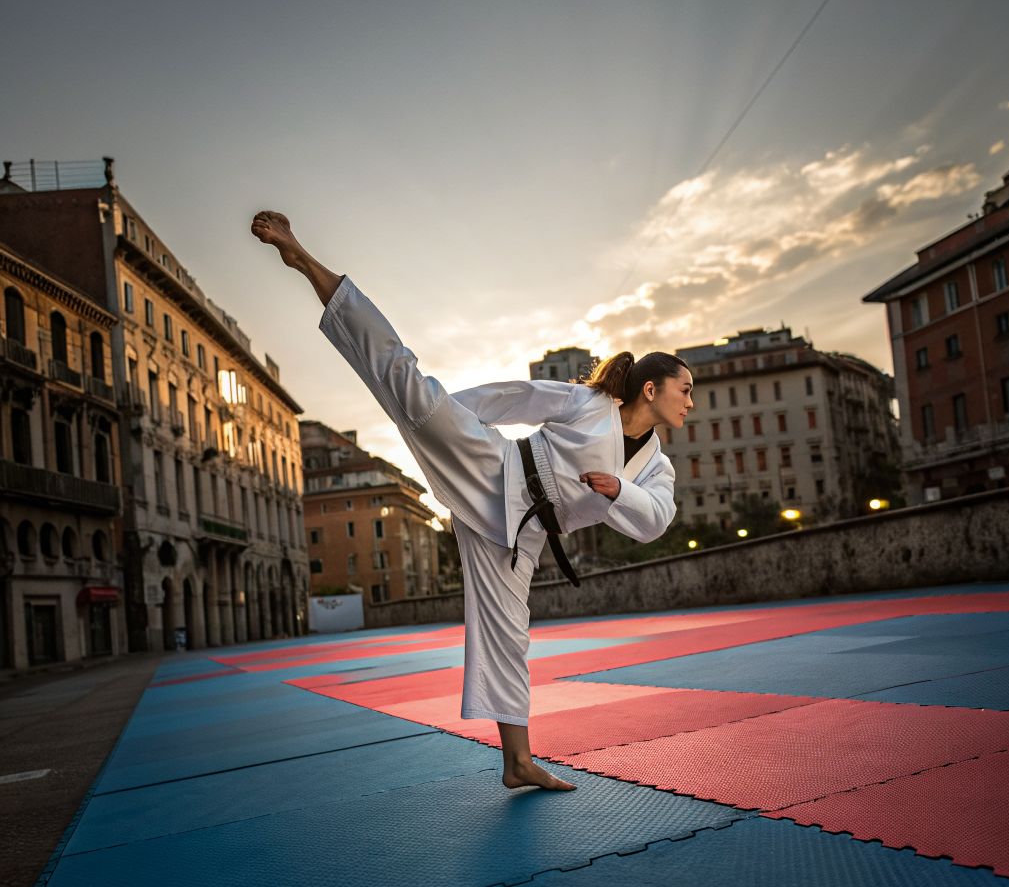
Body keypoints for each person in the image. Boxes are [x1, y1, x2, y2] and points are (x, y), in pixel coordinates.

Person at [251, 212, 693, 791]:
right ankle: (303, 258)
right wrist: (440, 416)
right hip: (495, 467)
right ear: (652, 389)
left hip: (524, 534)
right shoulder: (589, 403)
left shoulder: (655, 466)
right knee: (403, 376)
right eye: (686, 390)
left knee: (509, 636)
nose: (690, 403)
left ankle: (518, 763)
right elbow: (510, 397)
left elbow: (657, 521)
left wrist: (620, 489)